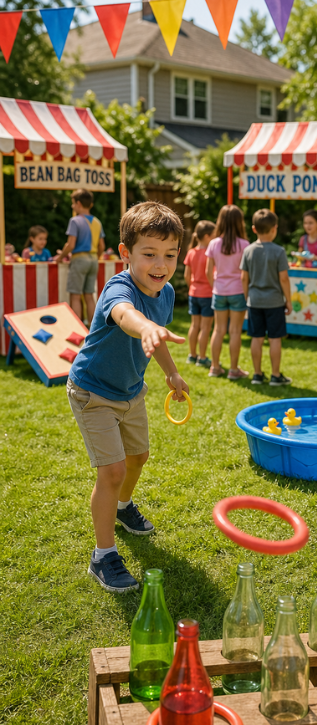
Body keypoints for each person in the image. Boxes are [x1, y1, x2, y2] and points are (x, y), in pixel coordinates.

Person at [66, 202, 188, 593]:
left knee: (138, 457)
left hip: (131, 392)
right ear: (125, 253)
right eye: (149, 253)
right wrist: (145, 327)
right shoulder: (119, 288)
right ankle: (103, 556)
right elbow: (127, 316)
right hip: (93, 392)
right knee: (113, 470)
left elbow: (156, 333)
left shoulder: (165, 292)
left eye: (170, 255)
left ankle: (122, 508)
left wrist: (170, 371)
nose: (160, 263)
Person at [240, 209, 293, 386]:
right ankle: (276, 375)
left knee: (256, 337)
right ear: (274, 229)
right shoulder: (279, 251)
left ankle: (257, 374)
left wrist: (248, 297)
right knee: (275, 338)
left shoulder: (248, 250)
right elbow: (284, 278)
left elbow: (243, 278)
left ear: (254, 229)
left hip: (254, 301)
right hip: (275, 302)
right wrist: (289, 300)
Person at [205, 205, 249, 380]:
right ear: (240, 223)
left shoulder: (213, 243)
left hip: (219, 291)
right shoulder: (245, 245)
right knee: (235, 331)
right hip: (238, 292)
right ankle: (233, 369)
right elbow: (246, 274)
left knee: (218, 329)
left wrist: (214, 286)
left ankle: (215, 367)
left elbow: (208, 271)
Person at [56, 189, 105, 322]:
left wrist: (60, 258)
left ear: (78, 203)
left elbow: (70, 245)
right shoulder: (97, 222)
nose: (72, 206)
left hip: (79, 260)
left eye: (73, 203)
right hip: (93, 260)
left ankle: (76, 329)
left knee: (75, 296)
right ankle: (93, 329)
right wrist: (95, 257)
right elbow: (102, 247)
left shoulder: (75, 221)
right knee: (89, 296)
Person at [183, 220, 216, 367]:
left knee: (194, 325)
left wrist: (192, 288)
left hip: (193, 293)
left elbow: (186, 275)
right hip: (207, 294)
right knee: (205, 328)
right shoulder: (211, 254)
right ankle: (202, 358)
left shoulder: (191, 252)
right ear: (208, 236)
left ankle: (192, 355)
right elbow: (211, 274)